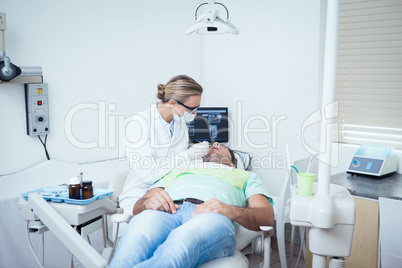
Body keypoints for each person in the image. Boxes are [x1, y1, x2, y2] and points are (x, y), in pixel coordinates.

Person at [110, 143, 275, 268]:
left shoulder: (245, 176)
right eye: (212, 145)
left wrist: (230, 210)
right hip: (165, 211)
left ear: (232, 164)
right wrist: (147, 203)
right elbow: (138, 206)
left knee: (180, 242)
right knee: (135, 237)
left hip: (211, 216)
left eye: (222, 146)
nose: (215, 145)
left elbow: (266, 217)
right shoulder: (179, 171)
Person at [119, 75, 210, 215]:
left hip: (168, 192)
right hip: (140, 196)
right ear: (173, 103)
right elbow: (147, 173)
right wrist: (188, 155)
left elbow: (176, 163)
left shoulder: (179, 122)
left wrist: (200, 157)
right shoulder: (138, 123)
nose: (195, 113)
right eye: (191, 109)